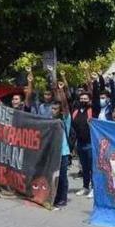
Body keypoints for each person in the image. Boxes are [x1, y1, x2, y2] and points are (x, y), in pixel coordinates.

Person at [52, 80, 72, 208]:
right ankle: (54, 196)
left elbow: (65, 106)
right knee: (54, 176)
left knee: (63, 177)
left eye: (55, 109)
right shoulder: (49, 121)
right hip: (52, 153)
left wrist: (61, 91)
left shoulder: (65, 120)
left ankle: (62, 198)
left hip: (63, 153)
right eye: (52, 108)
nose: (52, 110)